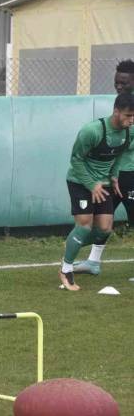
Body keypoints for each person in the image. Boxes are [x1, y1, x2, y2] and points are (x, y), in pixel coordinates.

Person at [60, 92, 134, 291]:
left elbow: (119, 154)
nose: (131, 120)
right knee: (84, 226)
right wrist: (92, 184)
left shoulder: (127, 132)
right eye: (128, 116)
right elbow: (76, 160)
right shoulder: (92, 131)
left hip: (104, 184)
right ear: (116, 112)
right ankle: (66, 270)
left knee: (105, 229)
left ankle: (72, 242)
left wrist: (115, 176)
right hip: (80, 181)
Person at [76, 59, 134, 275]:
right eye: (116, 82)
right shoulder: (121, 104)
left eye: (124, 83)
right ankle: (93, 262)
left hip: (131, 172)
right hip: (115, 174)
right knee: (103, 220)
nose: (119, 86)